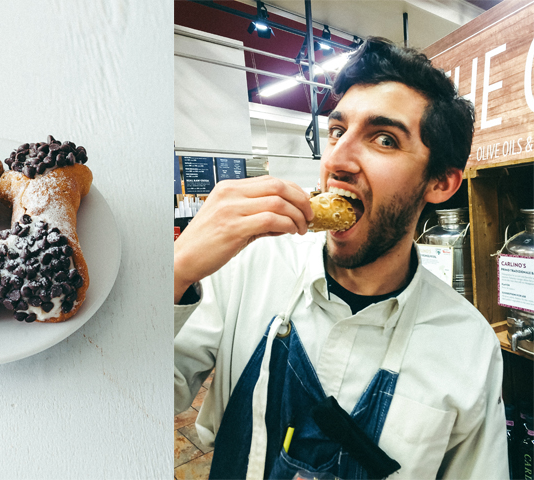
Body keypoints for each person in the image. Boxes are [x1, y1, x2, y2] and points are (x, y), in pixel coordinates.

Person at [174, 37, 508, 479]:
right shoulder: (251, 264)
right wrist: (174, 272)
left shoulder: (468, 347)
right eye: (337, 131)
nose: (338, 159)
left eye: (384, 139)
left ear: (441, 183)